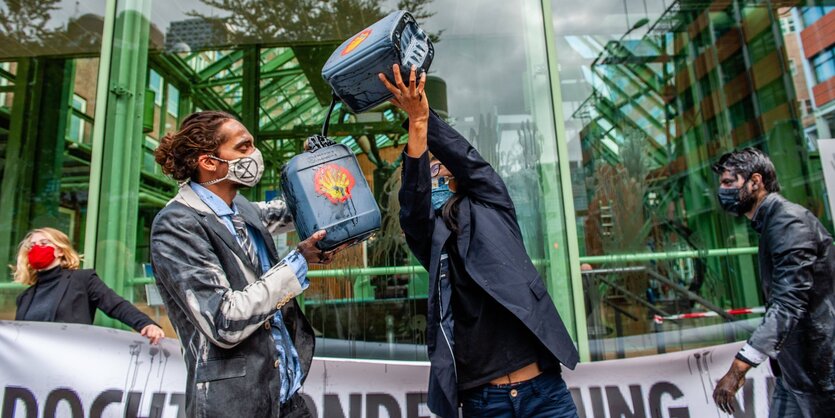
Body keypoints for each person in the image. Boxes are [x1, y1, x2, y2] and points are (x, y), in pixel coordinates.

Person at [379, 64, 580, 418]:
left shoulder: (492, 204)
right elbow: (412, 207)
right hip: (484, 403)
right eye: (430, 167)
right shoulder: (431, 238)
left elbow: (472, 164)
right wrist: (417, 131)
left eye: (442, 164)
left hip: (543, 393)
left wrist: (425, 118)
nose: (436, 170)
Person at [150, 110, 340, 418]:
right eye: (243, 147)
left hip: (286, 397)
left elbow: (296, 209)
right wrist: (299, 261)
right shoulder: (177, 225)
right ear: (209, 162)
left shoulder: (241, 209)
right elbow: (225, 320)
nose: (255, 155)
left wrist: (316, 170)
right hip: (235, 406)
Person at [711, 148, 835, 417]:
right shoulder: (772, 223)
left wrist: (739, 367)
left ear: (755, 182)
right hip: (796, 372)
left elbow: (788, 303)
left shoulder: (788, 222)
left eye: (729, 182)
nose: (722, 190)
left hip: (820, 372)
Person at [12, 227, 165, 344]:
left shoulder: (82, 280)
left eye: (43, 243)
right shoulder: (25, 297)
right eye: (32, 246)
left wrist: (146, 324)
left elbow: (116, 305)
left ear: (59, 250)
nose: (36, 248)